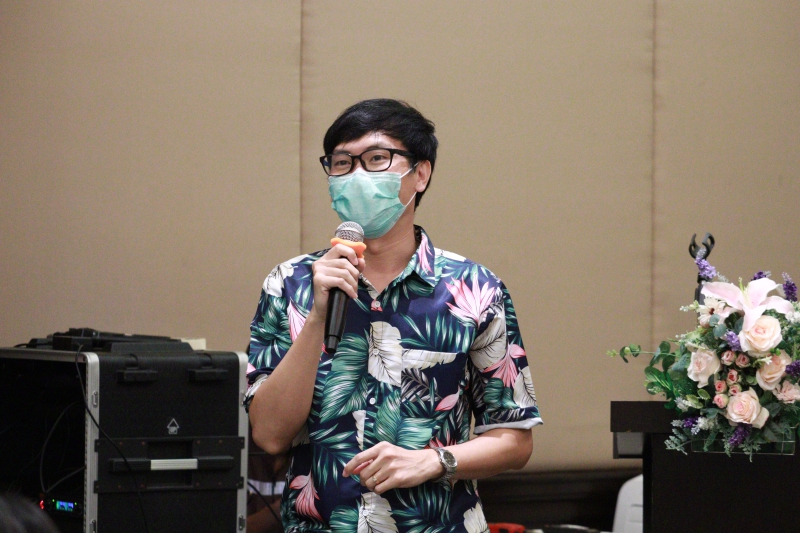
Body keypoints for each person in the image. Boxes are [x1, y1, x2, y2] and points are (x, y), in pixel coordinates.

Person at [245, 99, 542, 532]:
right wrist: (318, 317)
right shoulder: (289, 283)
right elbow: (269, 435)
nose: (357, 175)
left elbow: (515, 439)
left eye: (376, 159)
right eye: (342, 163)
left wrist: (433, 460)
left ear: (420, 174)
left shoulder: (474, 288)